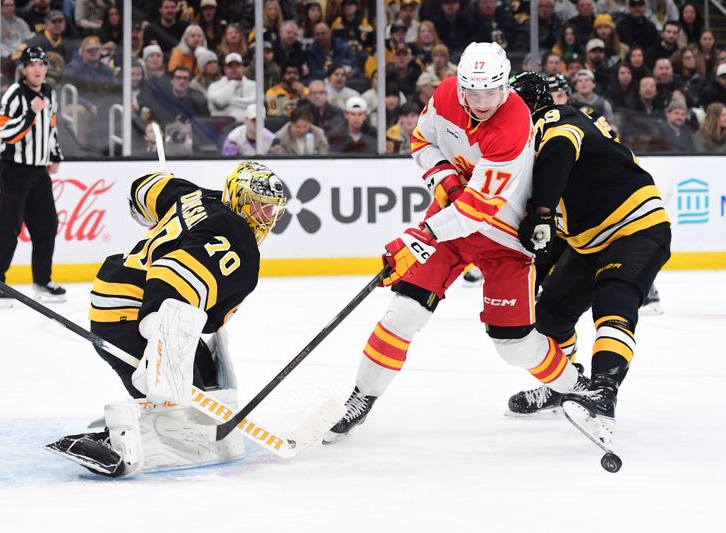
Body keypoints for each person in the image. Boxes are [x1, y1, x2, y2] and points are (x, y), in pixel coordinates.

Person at [323, 42, 587, 444]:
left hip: (503, 237)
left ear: (506, 87)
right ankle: (361, 397)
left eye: (491, 92)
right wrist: (443, 178)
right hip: (450, 224)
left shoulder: (514, 123)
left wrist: (420, 236)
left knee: (513, 346)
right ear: (460, 84)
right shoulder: (445, 94)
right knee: (402, 314)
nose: (481, 102)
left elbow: (477, 209)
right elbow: (421, 143)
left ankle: (575, 386)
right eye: (473, 91)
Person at [46, 162, 288, 477]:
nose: (266, 218)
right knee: (180, 411)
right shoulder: (236, 238)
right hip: (133, 314)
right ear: (240, 198)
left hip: (120, 293)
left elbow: (145, 187)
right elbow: (173, 275)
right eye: (260, 208)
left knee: (207, 387)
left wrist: (145, 212)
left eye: (273, 211)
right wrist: (159, 345)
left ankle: (151, 412)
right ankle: (118, 441)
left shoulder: (195, 194)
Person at [506, 73, 670, 446]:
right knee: (549, 314)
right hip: (587, 242)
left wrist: (543, 210)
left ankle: (603, 393)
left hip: (636, 228)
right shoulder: (527, 145)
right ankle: (566, 384)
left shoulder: (552, 119)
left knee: (613, 302)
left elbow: (562, 148)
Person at [0, 47, 65, 308]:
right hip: (15, 170)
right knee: (9, 227)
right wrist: (30, 113)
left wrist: (55, 155)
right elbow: (4, 133)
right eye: (32, 65)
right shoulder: (14, 95)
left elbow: (51, 126)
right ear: (23, 69)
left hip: (39, 172)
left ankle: (42, 280)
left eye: (42, 64)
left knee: (48, 225)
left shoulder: (50, 92)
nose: (38, 69)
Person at [206, 52, 257, 122]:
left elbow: (256, 103)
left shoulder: (254, 85)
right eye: (230, 66)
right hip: (220, 127)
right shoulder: (214, 86)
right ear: (224, 69)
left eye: (237, 66)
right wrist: (233, 85)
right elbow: (219, 102)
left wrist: (229, 101)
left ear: (243, 68)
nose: (234, 69)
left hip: (247, 126)